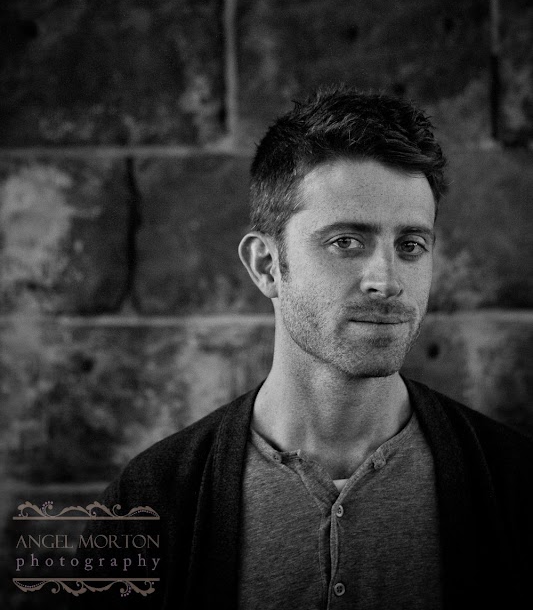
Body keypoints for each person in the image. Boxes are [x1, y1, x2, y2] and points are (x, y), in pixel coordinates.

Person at [75, 86, 532, 609]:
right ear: (266, 266)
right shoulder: (150, 505)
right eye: (345, 242)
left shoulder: (515, 486)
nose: (386, 281)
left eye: (410, 245)